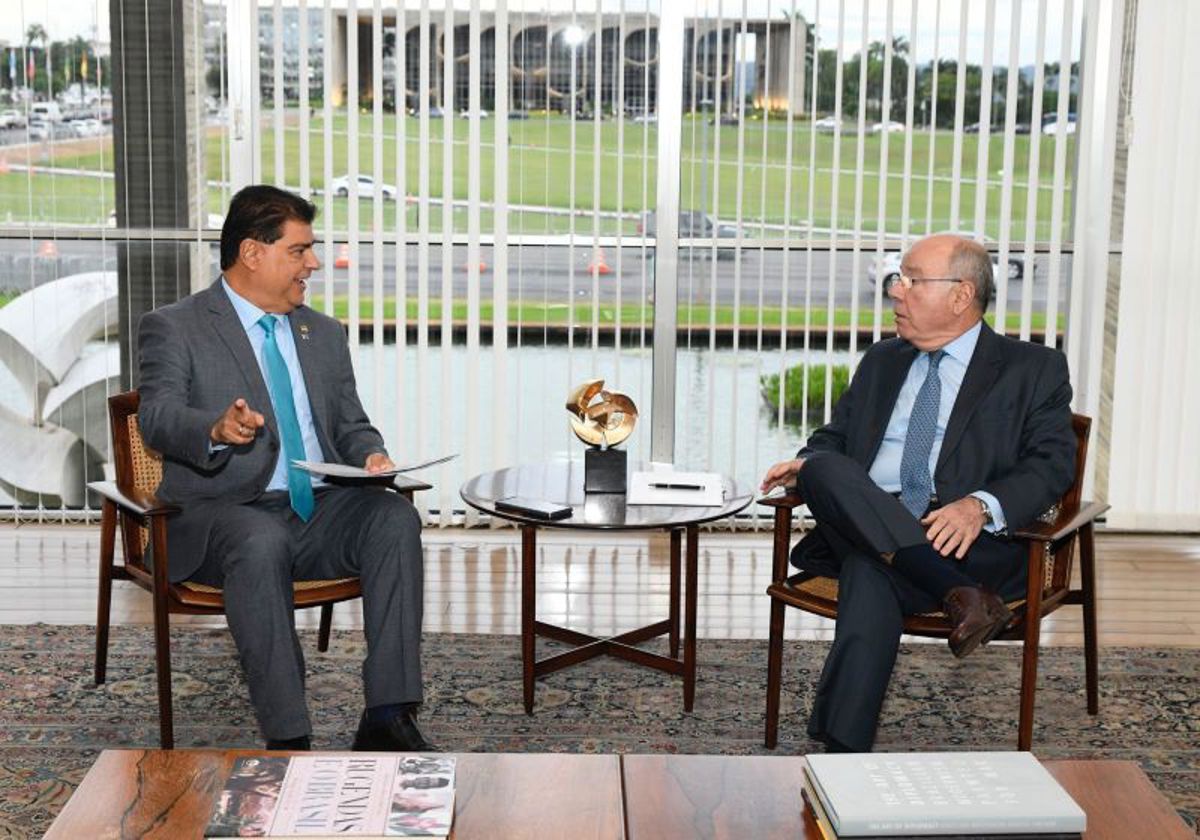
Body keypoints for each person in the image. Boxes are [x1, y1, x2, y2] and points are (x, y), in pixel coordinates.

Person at [137, 184, 431, 752]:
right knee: (260, 539)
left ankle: (389, 714)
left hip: (316, 509)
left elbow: (349, 422)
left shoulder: (321, 332)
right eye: (300, 250)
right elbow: (158, 415)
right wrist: (214, 428)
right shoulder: (176, 325)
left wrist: (370, 454)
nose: (314, 263)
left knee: (394, 519)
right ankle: (288, 735)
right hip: (224, 513)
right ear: (253, 253)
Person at [759, 233, 1076, 753]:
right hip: (876, 517)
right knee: (823, 469)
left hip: (967, 541)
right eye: (898, 279)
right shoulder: (883, 360)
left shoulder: (1033, 369)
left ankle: (842, 755)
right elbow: (832, 441)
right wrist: (807, 466)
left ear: (960, 295)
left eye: (911, 280)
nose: (895, 292)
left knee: (869, 566)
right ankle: (963, 597)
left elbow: (1052, 465)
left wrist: (980, 505)